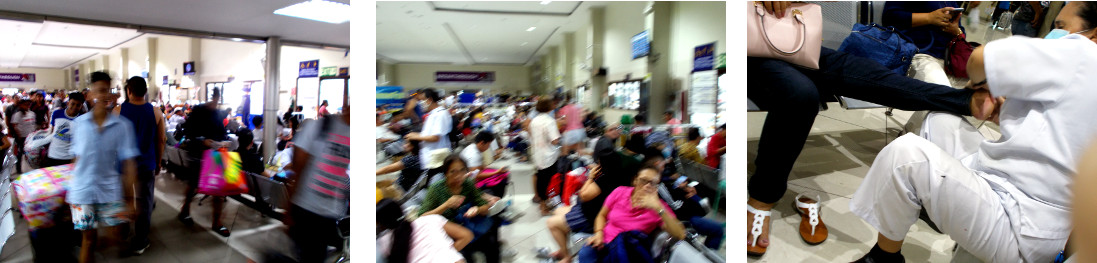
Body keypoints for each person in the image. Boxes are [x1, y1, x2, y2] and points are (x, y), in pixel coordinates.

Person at [851, 6, 1097, 261]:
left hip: (1020, 222)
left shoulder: (1084, 53)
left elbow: (980, 59)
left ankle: (883, 258)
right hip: (1044, 223)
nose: (1054, 35)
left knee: (906, 156)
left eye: (1060, 26)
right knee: (941, 119)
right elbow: (1059, 136)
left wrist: (979, 83)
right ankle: (933, 200)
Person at [67, 77, 140, 263]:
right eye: (99, 90)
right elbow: (76, 158)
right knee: (89, 241)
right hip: (82, 190)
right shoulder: (79, 124)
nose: (104, 94)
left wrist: (130, 199)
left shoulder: (122, 126)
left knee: (118, 234)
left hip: (109, 188)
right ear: (90, 95)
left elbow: (129, 164)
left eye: (107, 90)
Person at [540, 123, 635, 263]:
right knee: (557, 211)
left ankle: (566, 257)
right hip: (589, 210)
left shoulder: (605, 180)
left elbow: (583, 195)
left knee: (551, 223)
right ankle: (563, 248)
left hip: (591, 216)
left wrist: (590, 178)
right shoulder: (618, 175)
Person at [287, 99, 351, 263]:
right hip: (306, 209)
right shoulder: (319, 127)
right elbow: (297, 170)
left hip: (331, 213)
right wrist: (288, 208)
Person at [577, 168, 686, 263]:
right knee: (586, 252)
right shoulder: (620, 192)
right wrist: (598, 233)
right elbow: (601, 215)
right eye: (643, 181)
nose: (647, 186)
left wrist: (658, 208)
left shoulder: (659, 207)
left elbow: (680, 234)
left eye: (652, 183)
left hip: (627, 251)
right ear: (635, 180)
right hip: (603, 243)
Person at [112, 77, 165, 255]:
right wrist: (158, 162)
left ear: (129, 91)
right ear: (145, 91)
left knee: (124, 199)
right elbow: (161, 140)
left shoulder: (118, 111)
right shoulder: (156, 112)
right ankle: (141, 241)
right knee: (144, 202)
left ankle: (124, 230)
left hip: (123, 165)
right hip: (146, 165)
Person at [417, 155, 501, 263]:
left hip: (469, 227)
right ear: (446, 173)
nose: (458, 176)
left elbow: (485, 207)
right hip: (448, 233)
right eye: (453, 172)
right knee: (463, 256)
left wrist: (477, 209)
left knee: (492, 243)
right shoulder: (436, 189)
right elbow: (421, 218)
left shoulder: (468, 184)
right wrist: (446, 205)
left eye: (462, 170)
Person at [177, 88, 231, 237]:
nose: (215, 102)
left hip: (215, 155)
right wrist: (202, 141)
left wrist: (224, 142)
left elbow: (221, 132)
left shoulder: (217, 113)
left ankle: (216, 222)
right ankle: (185, 210)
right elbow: (188, 132)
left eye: (217, 99)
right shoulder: (198, 111)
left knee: (218, 191)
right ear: (211, 97)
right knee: (193, 186)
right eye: (214, 98)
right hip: (198, 154)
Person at [884, 2, 968, 87]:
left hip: (950, 61)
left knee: (978, 90)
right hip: (919, 54)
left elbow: (961, 31)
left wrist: (956, 30)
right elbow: (890, 17)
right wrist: (929, 18)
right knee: (943, 93)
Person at [377, 199, 471, 263]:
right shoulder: (430, 219)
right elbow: (466, 235)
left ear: (381, 224)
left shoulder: (385, 241)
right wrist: (447, 253)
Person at [405, 89, 451, 171]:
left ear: (429, 100)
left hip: (437, 157)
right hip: (430, 157)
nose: (420, 103)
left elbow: (435, 138)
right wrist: (415, 135)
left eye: (422, 100)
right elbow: (428, 134)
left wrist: (416, 137)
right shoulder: (432, 114)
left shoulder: (440, 114)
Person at [530, 98, 561, 215]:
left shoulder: (534, 120)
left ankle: (542, 204)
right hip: (549, 156)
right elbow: (554, 140)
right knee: (549, 181)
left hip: (538, 154)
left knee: (541, 179)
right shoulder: (550, 121)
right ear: (549, 107)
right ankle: (545, 206)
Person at [459, 131, 509, 196]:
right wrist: (497, 172)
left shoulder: (472, 147)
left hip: (469, 177)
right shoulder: (474, 154)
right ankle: (495, 200)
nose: (488, 147)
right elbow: (477, 176)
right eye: (488, 145)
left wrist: (496, 170)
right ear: (482, 143)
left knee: (501, 174)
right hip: (468, 183)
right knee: (501, 180)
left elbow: (480, 167)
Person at [44, 92, 84, 167]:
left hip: (70, 158)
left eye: (78, 105)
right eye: (73, 104)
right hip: (53, 155)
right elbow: (52, 131)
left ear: (81, 106)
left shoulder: (82, 119)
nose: (75, 107)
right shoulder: (57, 113)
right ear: (68, 103)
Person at [9, 99, 36, 173]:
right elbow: (14, 125)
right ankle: (18, 169)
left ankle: (31, 167)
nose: (26, 106)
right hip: (21, 137)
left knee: (30, 153)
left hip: (30, 137)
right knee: (20, 153)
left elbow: (33, 124)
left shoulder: (32, 113)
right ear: (20, 105)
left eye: (28, 104)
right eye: (25, 104)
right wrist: (18, 135)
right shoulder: (17, 114)